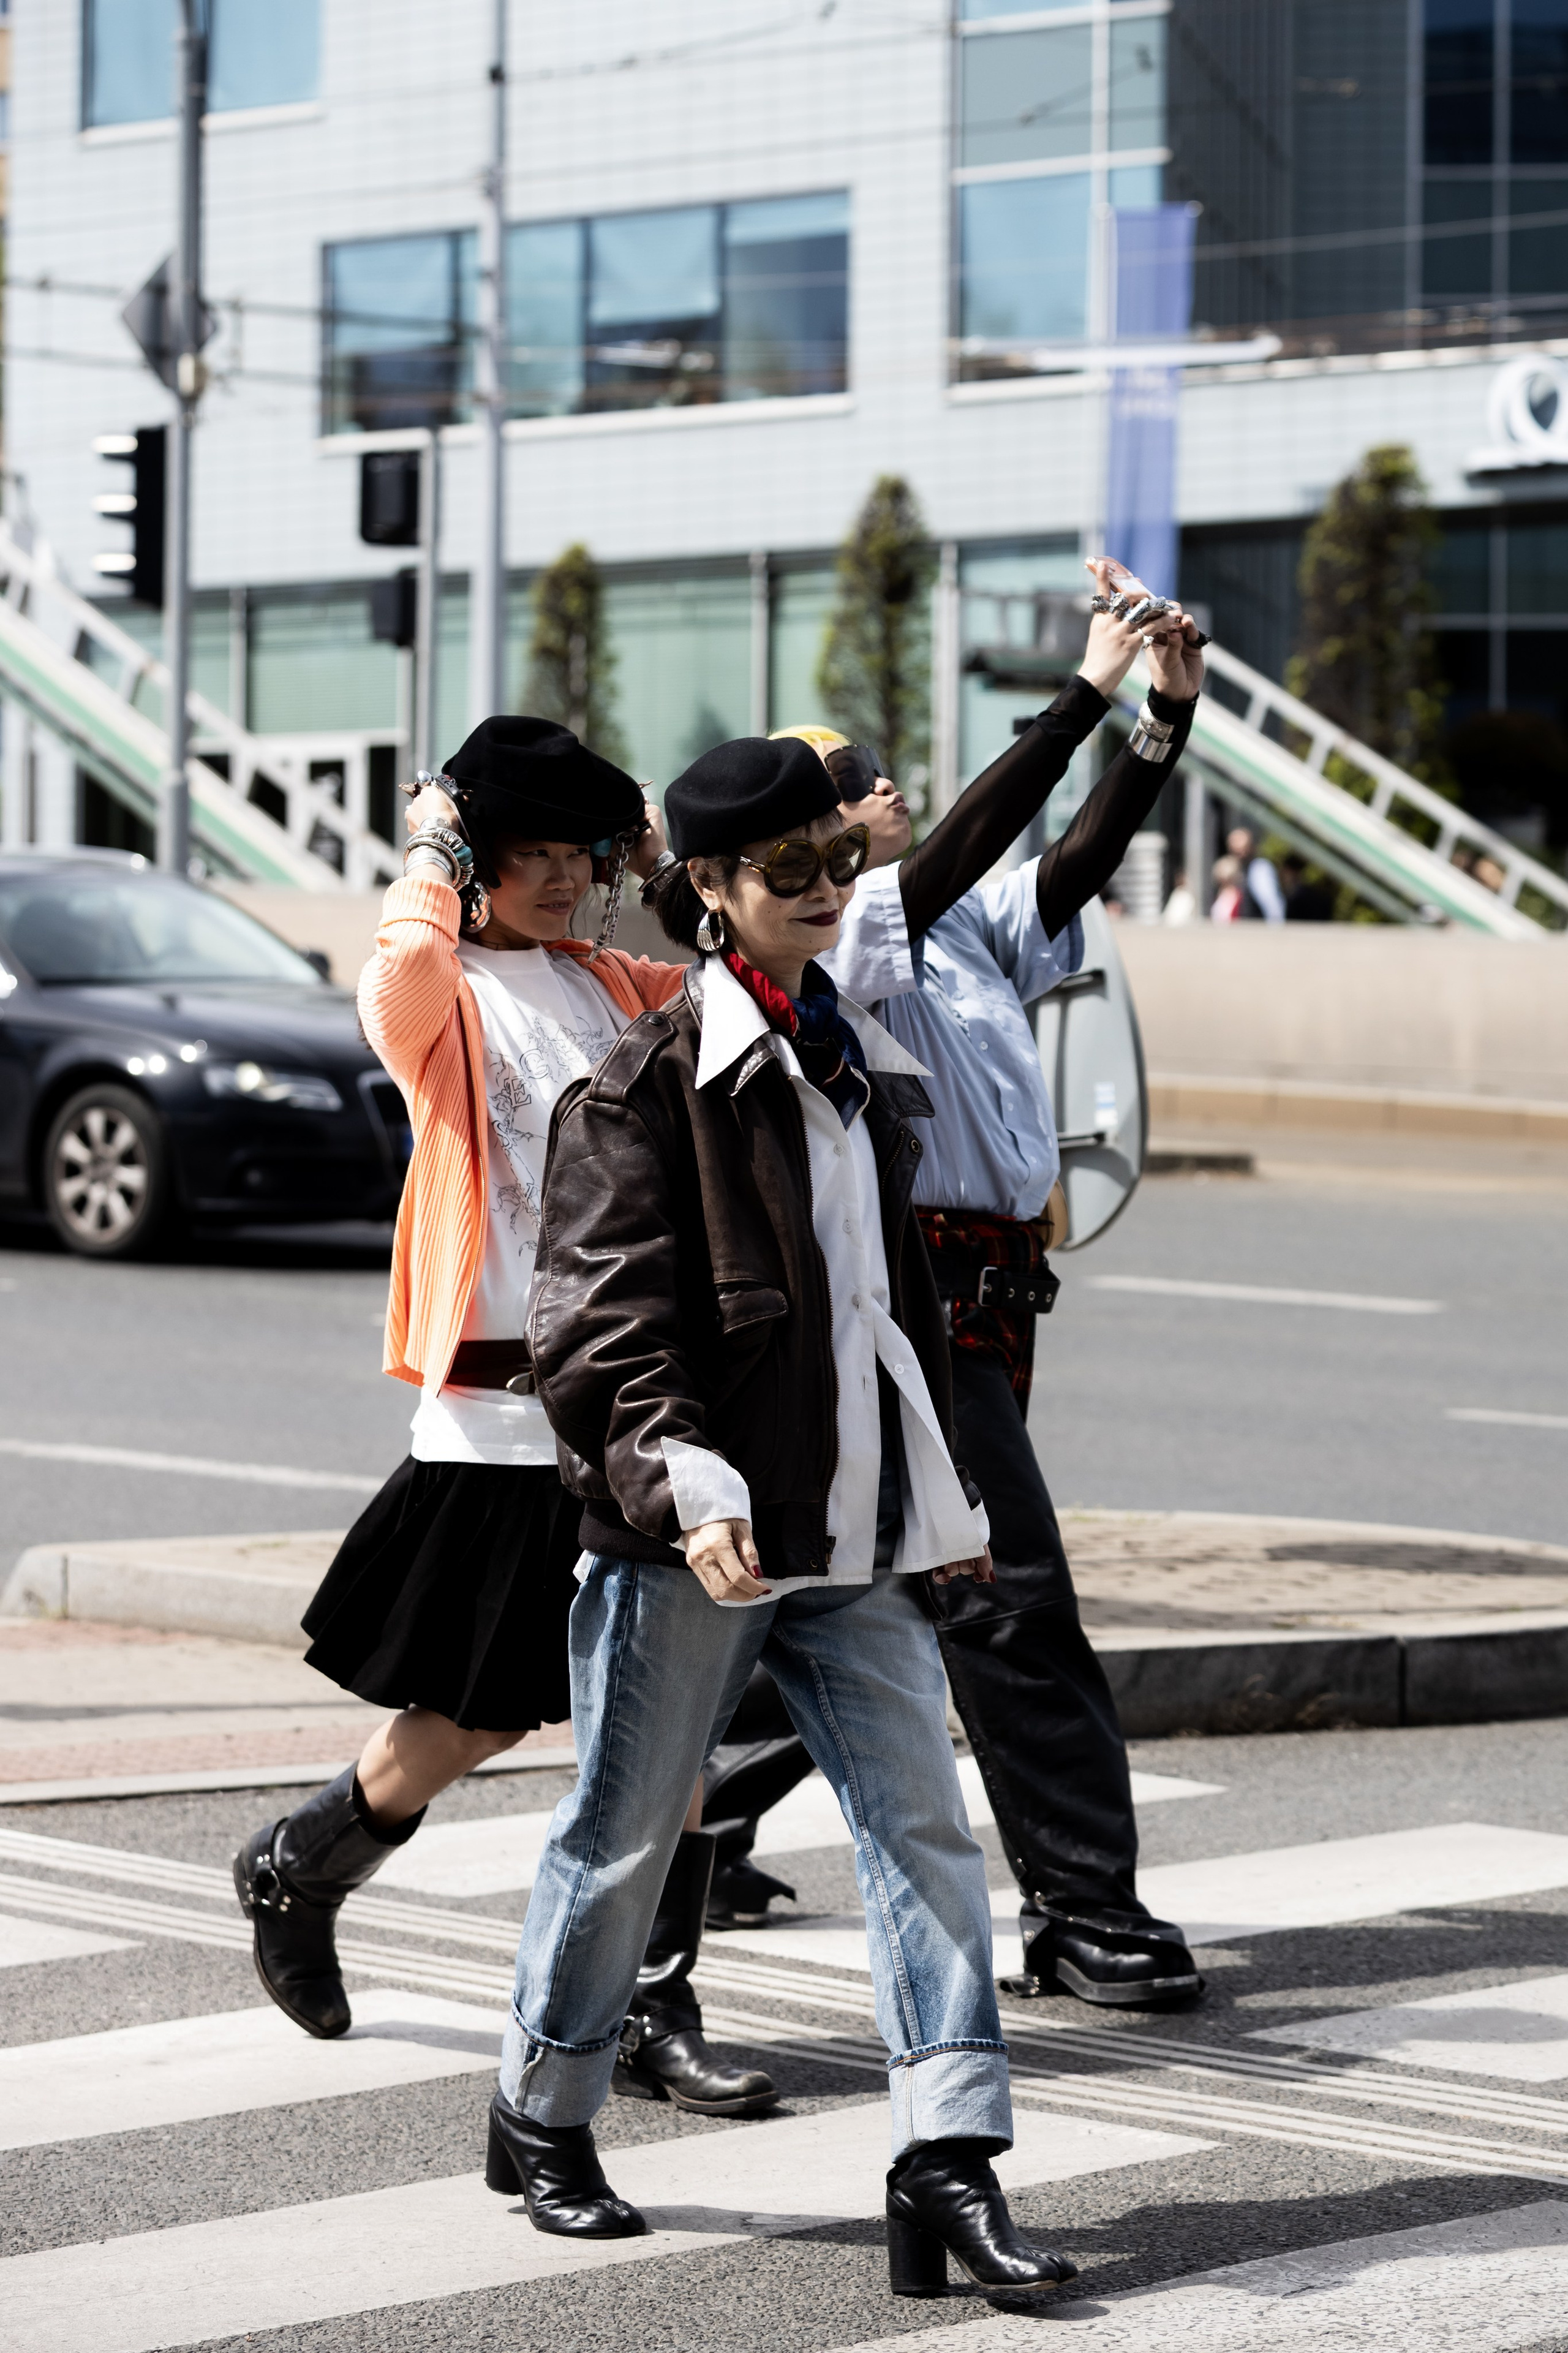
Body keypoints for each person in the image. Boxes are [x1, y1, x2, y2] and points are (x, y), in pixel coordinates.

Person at [490, 732, 1079, 2305]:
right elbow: (599, 1329)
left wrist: (941, 1500)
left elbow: (888, 1319)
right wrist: (685, 1483)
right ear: (708, 889)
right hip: (696, 1537)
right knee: (621, 1842)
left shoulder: (856, 1061)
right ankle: (541, 2107)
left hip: (854, 1534)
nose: (827, 890)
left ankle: (943, 2161)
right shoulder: (640, 1087)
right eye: (789, 870)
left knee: (924, 1835)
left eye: (839, 862)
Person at [233, 716, 780, 2123]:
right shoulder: (445, 995)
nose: (553, 878)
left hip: (638, 1403)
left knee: (672, 1722)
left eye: (573, 852)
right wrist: (429, 836)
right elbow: (403, 964)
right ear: (478, 859)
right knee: (469, 1711)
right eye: (523, 852)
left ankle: (657, 2001)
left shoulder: (616, 979)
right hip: (494, 1405)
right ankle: (301, 1862)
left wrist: (658, 862)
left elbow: (747, 987)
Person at [744, 560, 1204, 2011]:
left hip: (991, 1302)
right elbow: (955, 847)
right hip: (910, 1303)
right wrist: (1079, 689)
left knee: (842, 1594)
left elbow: (1063, 863)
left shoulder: (952, 933)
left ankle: (692, 1812)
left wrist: (1158, 723)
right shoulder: (855, 940)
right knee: (1011, 1600)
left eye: (872, 786)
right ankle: (1086, 1908)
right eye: (838, 801)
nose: (872, 803)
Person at [1225, 824, 1286, 922]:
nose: (1240, 854)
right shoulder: (1237, 871)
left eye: (1243, 849)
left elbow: (1271, 904)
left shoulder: (1259, 869)